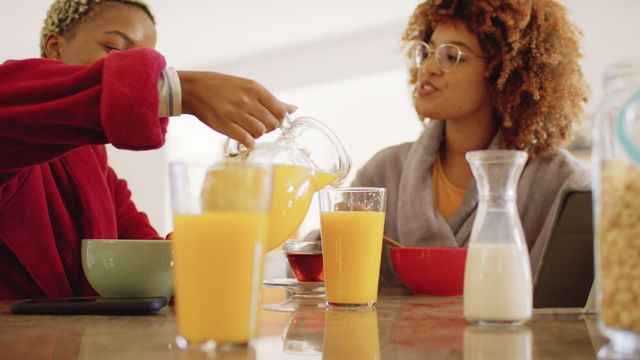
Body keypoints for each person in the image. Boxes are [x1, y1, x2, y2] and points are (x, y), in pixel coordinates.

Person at [0, 0, 295, 299]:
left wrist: (188, 254)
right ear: (55, 47)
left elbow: (140, 251)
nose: (132, 67)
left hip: (77, 342)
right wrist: (177, 90)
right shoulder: (13, 108)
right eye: (114, 49)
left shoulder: (99, 170)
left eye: (146, 60)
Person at [350, 0, 591, 286]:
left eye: (451, 56)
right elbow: (326, 263)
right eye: (426, 51)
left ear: (506, 73)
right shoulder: (382, 175)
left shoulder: (563, 184)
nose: (427, 68)